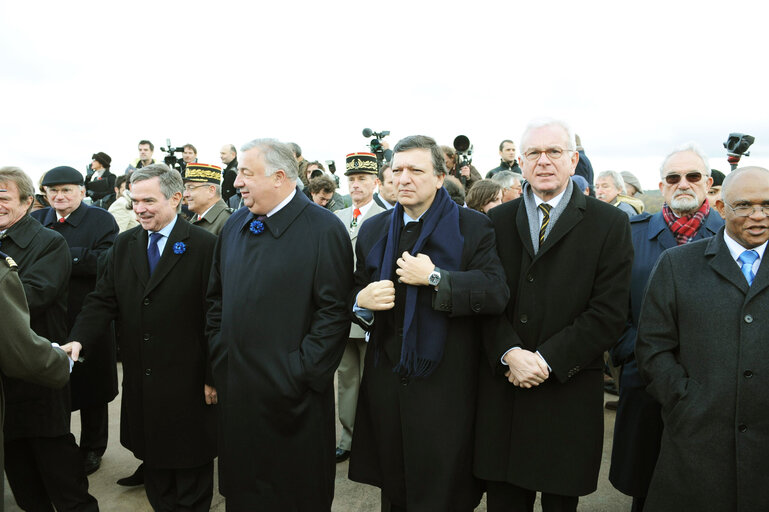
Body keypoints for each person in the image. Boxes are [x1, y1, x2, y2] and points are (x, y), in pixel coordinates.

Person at [475, 118, 633, 512]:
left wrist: (545, 360)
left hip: (567, 390)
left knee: (561, 501)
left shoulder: (609, 223)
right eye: (533, 153)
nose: (543, 161)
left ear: (574, 159)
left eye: (554, 152)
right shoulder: (493, 222)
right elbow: (482, 302)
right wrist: (510, 352)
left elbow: (609, 312)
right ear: (522, 162)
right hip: (505, 390)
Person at [349, 135, 509, 511]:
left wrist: (437, 278)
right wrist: (360, 299)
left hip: (447, 386)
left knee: (444, 490)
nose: (404, 178)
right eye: (397, 170)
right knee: (395, 486)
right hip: (388, 382)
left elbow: (496, 292)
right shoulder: (373, 231)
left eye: (415, 170)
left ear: (440, 177)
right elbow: (350, 289)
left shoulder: (473, 227)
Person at [206, 138, 353, 510]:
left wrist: (298, 373)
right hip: (239, 395)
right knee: (243, 495)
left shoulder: (323, 229)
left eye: (246, 173)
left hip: (294, 403)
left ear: (279, 177)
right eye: (238, 171)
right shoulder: (236, 224)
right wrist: (222, 355)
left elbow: (333, 313)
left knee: (295, 495)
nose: (237, 182)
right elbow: (215, 299)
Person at [70, 164, 218, 511]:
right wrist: (79, 339)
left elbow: (217, 313)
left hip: (190, 380)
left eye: (148, 200)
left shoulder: (204, 245)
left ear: (177, 198)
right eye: (134, 201)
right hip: (142, 379)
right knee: (156, 467)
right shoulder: (125, 244)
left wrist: (214, 374)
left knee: (190, 469)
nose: (139, 209)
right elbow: (103, 299)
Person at [635, 166, 769, 511]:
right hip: (697, 444)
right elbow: (652, 346)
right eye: (745, 206)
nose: (758, 216)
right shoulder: (678, 265)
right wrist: (685, 401)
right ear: (721, 208)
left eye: (768, 206)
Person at [609, 143, 723, 511]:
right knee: (644, 482)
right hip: (644, 382)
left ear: (707, 183)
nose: (683, 184)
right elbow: (611, 304)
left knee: (705, 485)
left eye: (692, 176)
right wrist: (634, 353)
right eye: (673, 178)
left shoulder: (728, 235)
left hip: (708, 389)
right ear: (662, 186)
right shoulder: (631, 233)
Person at [0, 166, 99, 511]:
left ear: (28, 202)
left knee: (59, 468)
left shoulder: (48, 243)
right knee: (20, 473)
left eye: (3, 197)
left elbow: (33, 296)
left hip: (38, 369)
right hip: (4, 378)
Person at [31, 166, 120, 476]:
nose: (59, 196)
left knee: (92, 386)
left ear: (83, 191)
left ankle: (93, 448)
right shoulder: (38, 220)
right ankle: (58, 445)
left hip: (87, 313)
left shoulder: (101, 220)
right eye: (52, 190)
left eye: (67, 189)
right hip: (45, 318)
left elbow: (106, 260)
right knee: (52, 387)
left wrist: (60, 255)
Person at [0, 251, 76, 508]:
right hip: (33, 369)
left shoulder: (50, 243)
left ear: (27, 206)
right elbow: (19, 351)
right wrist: (59, 361)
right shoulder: (2, 271)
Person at [333, 152, 385, 464]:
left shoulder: (385, 216)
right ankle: (348, 437)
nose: (356, 185)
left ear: (376, 182)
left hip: (369, 313)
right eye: (351, 180)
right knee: (347, 378)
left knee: (373, 380)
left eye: (363, 179)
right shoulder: (337, 218)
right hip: (342, 310)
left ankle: (375, 438)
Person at [183, 163, 232, 235]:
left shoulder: (228, 221)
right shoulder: (196, 219)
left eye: (191, 188)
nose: (185, 194)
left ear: (211, 191)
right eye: (185, 188)